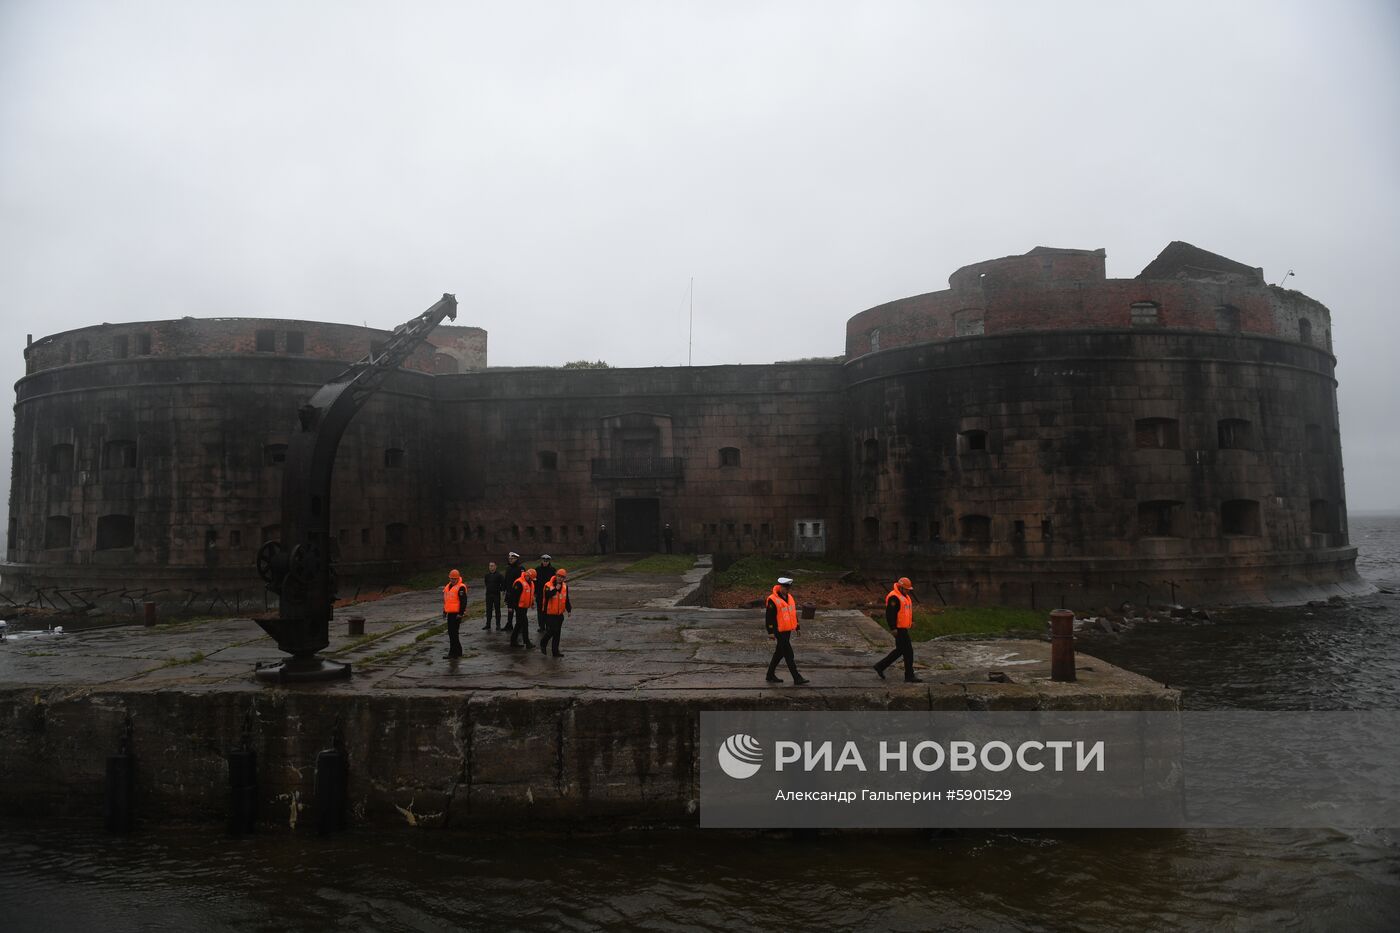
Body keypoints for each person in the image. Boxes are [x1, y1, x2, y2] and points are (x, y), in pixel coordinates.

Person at [875, 576, 922, 683]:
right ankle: (909, 676)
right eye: (906, 589)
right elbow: (890, 614)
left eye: (909, 590)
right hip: (899, 629)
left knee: (900, 651)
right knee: (908, 652)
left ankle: (880, 666)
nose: (908, 591)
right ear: (900, 587)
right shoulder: (894, 597)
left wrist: (912, 621)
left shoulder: (904, 596)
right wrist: (893, 628)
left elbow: (907, 611)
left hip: (903, 628)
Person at [764, 576, 808, 685]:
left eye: (788, 588)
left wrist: (797, 627)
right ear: (780, 586)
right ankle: (797, 677)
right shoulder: (772, 599)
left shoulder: (790, 598)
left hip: (787, 630)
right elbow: (769, 617)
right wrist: (770, 632)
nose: (787, 590)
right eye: (785, 587)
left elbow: (792, 613)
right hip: (778, 630)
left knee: (779, 653)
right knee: (789, 654)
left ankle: (770, 675)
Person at [539, 567, 572, 657]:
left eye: (562, 577)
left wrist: (569, 609)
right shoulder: (548, 585)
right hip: (549, 613)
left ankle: (555, 652)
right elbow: (547, 595)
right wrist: (555, 589)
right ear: (555, 575)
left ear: (564, 578)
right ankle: (543, 642)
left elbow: (566, 599)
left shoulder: (565, 586)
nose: (560, 578)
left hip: (559, 613)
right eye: (558, 576)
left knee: (557, 634)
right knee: (553, 630)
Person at [442, 568, 469, 659]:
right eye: (451, 578)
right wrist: (444, 611)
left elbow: (463, 601)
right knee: (452, 633)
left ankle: (453, 653)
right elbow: (447, 601)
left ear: (458, 578)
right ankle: (457, 652)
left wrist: (461, 613)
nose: (452, 580)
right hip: (450, 613)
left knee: (453, 633)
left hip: (457, 614)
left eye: (454, 579)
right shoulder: (448, 587)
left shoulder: (461, 587)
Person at [509, 568, 536, 649]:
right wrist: (511, 607)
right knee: (525, 624)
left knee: (519, 624)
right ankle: (527, 642)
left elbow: (530, 594)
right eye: (530, 578)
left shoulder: (530, 582)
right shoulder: (519, 582)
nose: (531, 580)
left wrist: (532, 603)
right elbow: (513, 596)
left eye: (532, 579)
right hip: (519, 607)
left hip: (524, 607)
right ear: (527, 575)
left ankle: (513, 641)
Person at [534, 554, 556, 633]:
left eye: (547, 561)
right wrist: (535, 592)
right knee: (540, 611)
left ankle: (548, 626)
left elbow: (554, 582)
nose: (545, 562)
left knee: (548, 611)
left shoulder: (552, 570)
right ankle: (541, 626)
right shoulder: (537, 570)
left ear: (549, 561)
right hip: (539, 593)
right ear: (542, 561)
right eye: (544, 561)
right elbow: (534, 582)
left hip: (548, 594)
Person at [503, 551, 523, 632]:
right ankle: (509, 624)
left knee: (519, 611)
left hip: (517, 594)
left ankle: (519, 626)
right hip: (509, 593)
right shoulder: (508, 568)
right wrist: (504, 589)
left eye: (512, 558)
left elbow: (522, 581)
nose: (510, 560)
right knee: (510, 609)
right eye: (510, 558)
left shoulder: (520, 569)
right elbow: (506, 580)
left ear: (516, 559)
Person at [483, 560, 505, 631]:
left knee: (497, 610)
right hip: (488, 595)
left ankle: (498, 625)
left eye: (492, 566)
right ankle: (488, 624)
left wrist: (500, 589)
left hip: (496, 595)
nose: (490, 567)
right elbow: (486, 583)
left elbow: (503, 584)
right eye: (489, 566)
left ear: (495, 567)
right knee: (488, 610)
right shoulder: (487, 575)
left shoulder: (499, 575)